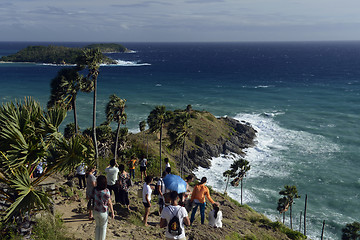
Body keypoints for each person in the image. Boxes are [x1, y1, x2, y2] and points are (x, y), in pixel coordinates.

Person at [93, 175, 114, 240]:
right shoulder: (106, 191)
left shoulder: (95, 190)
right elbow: (109, 202)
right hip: (103, 211)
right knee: (103, 228)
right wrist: (112, 212)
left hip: (95, 210)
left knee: (97, 227)